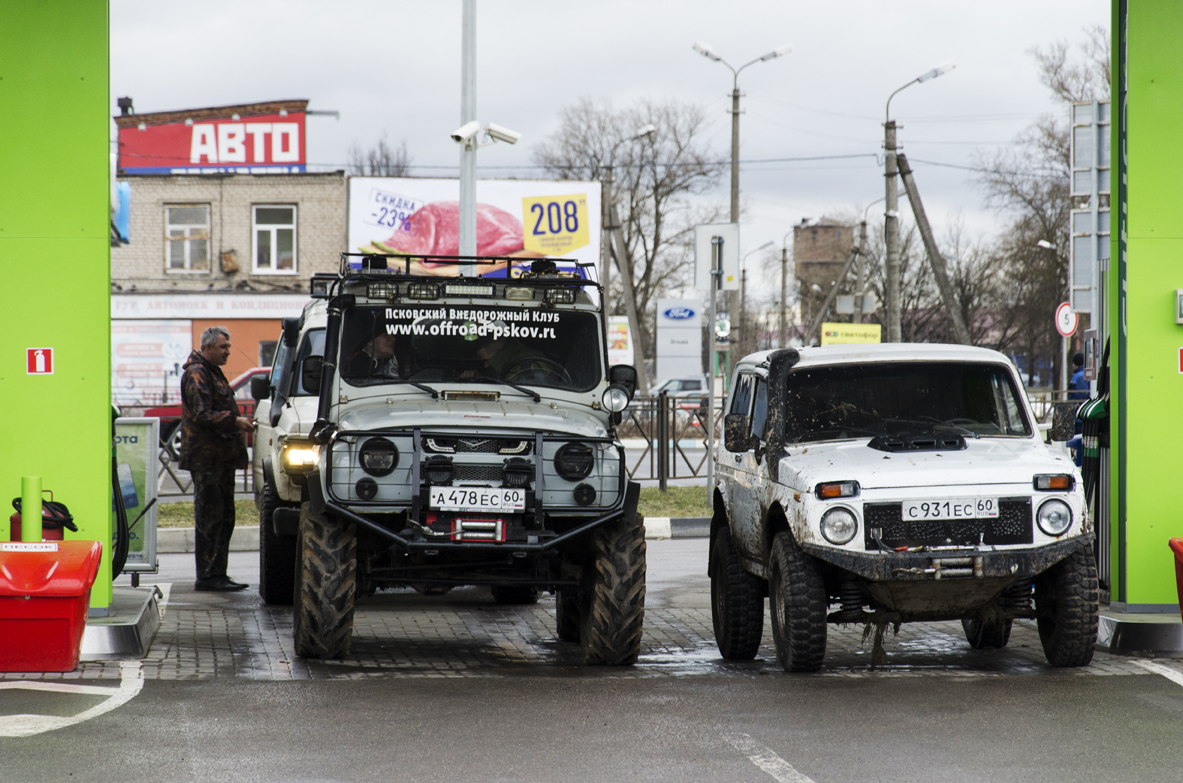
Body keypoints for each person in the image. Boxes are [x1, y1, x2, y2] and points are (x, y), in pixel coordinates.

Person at [180, 326, 254, 592]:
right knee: (210, 518)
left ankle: (218, 573)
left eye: (229, 346)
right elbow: (201, 414)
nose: (228, 351)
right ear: (208, 347)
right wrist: (236, 421)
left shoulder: (211, 371)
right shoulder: (197, 373)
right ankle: (208, 576)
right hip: (207, 460)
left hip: (220, 459)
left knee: (224, 518)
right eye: (224, 347)